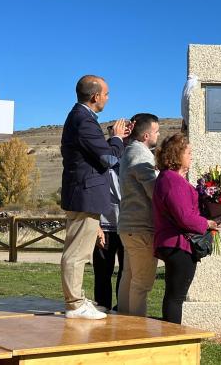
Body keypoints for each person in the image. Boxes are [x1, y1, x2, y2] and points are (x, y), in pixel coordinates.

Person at [61, 75, 125, 319]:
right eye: (106, 94)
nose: (108, 98)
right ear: (95, 96)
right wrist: (117, 139)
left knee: (78, 250)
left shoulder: (81, 118)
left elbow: (98, 152)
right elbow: (109, 159)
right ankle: (75, 304)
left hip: (83, 193)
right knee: (77, 253)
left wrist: (112, 140)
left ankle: (76, 301)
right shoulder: (84, 120)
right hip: (85, 194)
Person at [152, 133, 219, 323]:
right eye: (188, 152)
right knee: (176, 297)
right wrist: (207, 223)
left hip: (175, 243)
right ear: (176, 154)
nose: (191, 156)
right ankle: (173, 339)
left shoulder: (170, 179)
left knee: (174, 295)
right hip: (177, 244)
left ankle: (171, 337)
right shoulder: (172, 180)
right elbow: (184, 217)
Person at [117, 113, 161, 316]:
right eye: (156, 131)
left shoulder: (129, 151)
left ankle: (124, 323)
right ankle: (136, 327)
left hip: (129, 226)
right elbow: (154, 191)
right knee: (141, 283)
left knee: (129, 277)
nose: (158, 135)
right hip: (141, 226)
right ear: (145, 135)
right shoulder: (141, 155)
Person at [92, 124, 126, 311]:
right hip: (104, 224)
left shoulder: (132, 160)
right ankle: (102, 308)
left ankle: (121, 307)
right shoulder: (101, 161)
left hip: (127, 225)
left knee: (125, 271)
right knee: (103, 272)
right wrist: (95, 225)